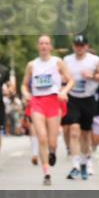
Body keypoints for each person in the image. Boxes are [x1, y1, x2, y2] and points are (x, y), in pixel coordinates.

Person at [21, 35, 75, 186]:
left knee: (52, 142)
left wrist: (64, 92)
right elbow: (24, 84)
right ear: (38, 46)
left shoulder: (57, 62)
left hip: (53, 101)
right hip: (37, 102)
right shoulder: (32, 65)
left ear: (51, 47)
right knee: (42, 138)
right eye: (41, 43)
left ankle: (52, 152)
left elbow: (71, 80)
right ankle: (46, 173)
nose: (44, 46)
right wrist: (26, 94)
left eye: (46, 43)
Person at [63, 35, 99, 181]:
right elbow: (60, 76)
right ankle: (75, 165)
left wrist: (93, 76)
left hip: (88, 99)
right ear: (73, 46)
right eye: (77, 45)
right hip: (72, 99)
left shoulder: (94, 60)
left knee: (85, 134)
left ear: (87, 46)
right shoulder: (67, 60)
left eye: (82, 45)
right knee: (74, 131)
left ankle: (84, 162)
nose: (79, 48)